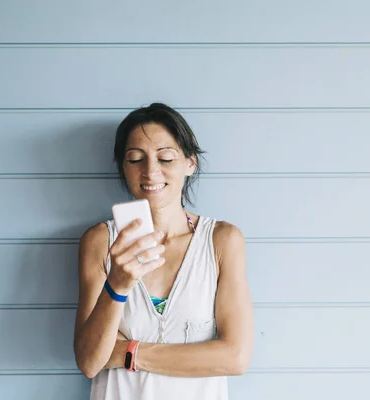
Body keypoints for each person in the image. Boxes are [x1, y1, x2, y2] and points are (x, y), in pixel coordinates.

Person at [73, 103, 254, 400]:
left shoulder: (222, 240)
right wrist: (117, 285)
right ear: (123, 167)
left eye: (166, 158)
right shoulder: (100, 242)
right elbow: (91, 361)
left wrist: (128, 351)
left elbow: (235, 357)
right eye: (135, 159)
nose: (151, 172)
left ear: (190, 163)